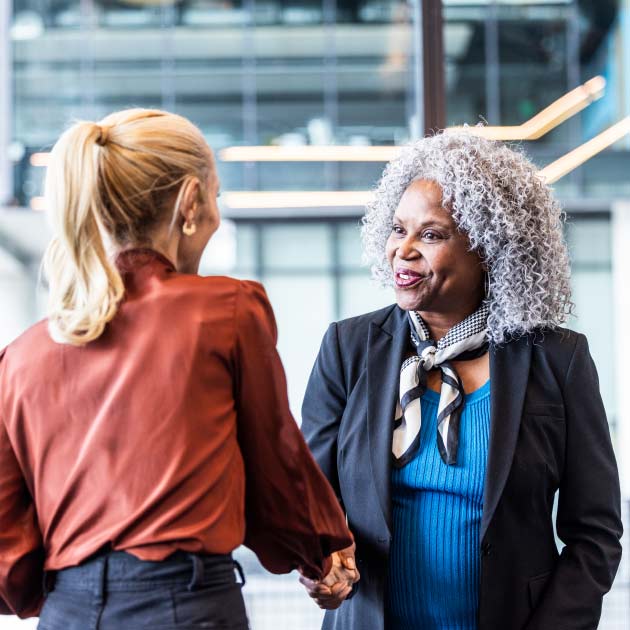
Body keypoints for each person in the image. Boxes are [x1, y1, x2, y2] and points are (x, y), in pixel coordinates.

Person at [0, 108, 353, 629]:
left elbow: (8, 529)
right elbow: (276, 464)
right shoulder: (226, 311)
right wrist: (324, 551)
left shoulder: (23, 354)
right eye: (214, 196)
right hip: (180, 605)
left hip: (67, 611)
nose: (215, 214)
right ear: (189, 202)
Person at [299, 130, 623, 630]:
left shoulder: (558, 360)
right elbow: (313, 501)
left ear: (490, 247)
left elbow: (594, 533)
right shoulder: (348, 349)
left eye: (431, 234)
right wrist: (323, 563)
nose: (403, 250)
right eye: (397, 229)